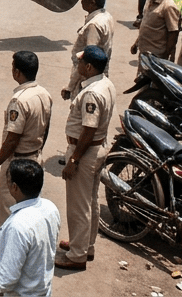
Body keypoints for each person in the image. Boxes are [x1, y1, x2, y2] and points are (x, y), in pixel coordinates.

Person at [56, 45, 115, 271]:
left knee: (78, 206)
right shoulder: (105, 83)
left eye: (81, 62)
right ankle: (85, 245)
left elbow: (88, 130)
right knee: (90, 201)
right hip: (97, 148)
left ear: (89, 67)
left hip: (85, 151)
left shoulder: (91, 93)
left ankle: (77, 255)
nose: (77, 64)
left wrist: (74, 160)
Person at [0, 51, 52, 227]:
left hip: (17, 163)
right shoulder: (44, 94)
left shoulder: (19, 101)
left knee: (9, 215)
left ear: (17, 72)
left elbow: (12, 139)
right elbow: (46, 127)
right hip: (35, 157)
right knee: (29, 212)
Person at [0, 160, 60, 297]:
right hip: (42, 290)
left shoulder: (18, 226)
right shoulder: (50, 208)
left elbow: (8, 277)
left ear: (14, 187)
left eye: (8, 180)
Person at [65, 0, 114, 98]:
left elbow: (88, 58)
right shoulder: (106, 16)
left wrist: (70, 86)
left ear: (92, 2)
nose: (81, 0)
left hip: (87, 79)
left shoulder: (94, 25)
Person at [130, 0, 181, 64]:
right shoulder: (149, 0)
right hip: (144, 51)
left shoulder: (168, 6)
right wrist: (136, 43)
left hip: (157, 55)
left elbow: (173, 32)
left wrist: (166, 55)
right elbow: (146, 25)